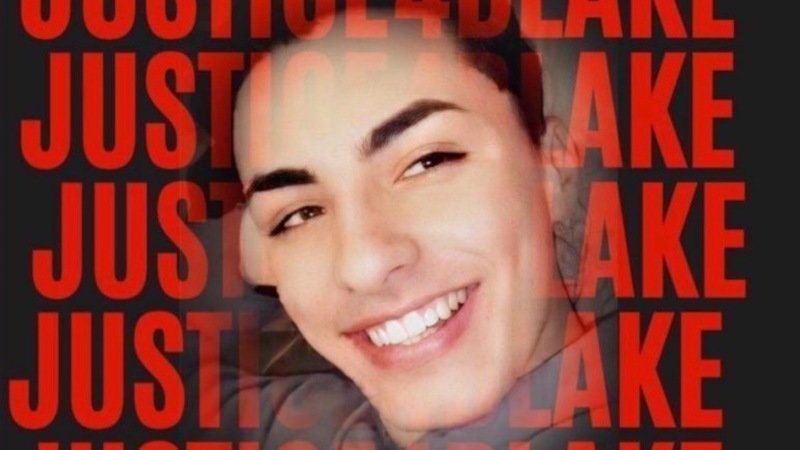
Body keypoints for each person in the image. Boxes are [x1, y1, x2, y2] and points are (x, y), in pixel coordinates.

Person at [225, 1, 617, 447]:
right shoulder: (310, 424)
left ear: (554, 171)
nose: (363, 265)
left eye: (428, 162)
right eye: (299, 215)